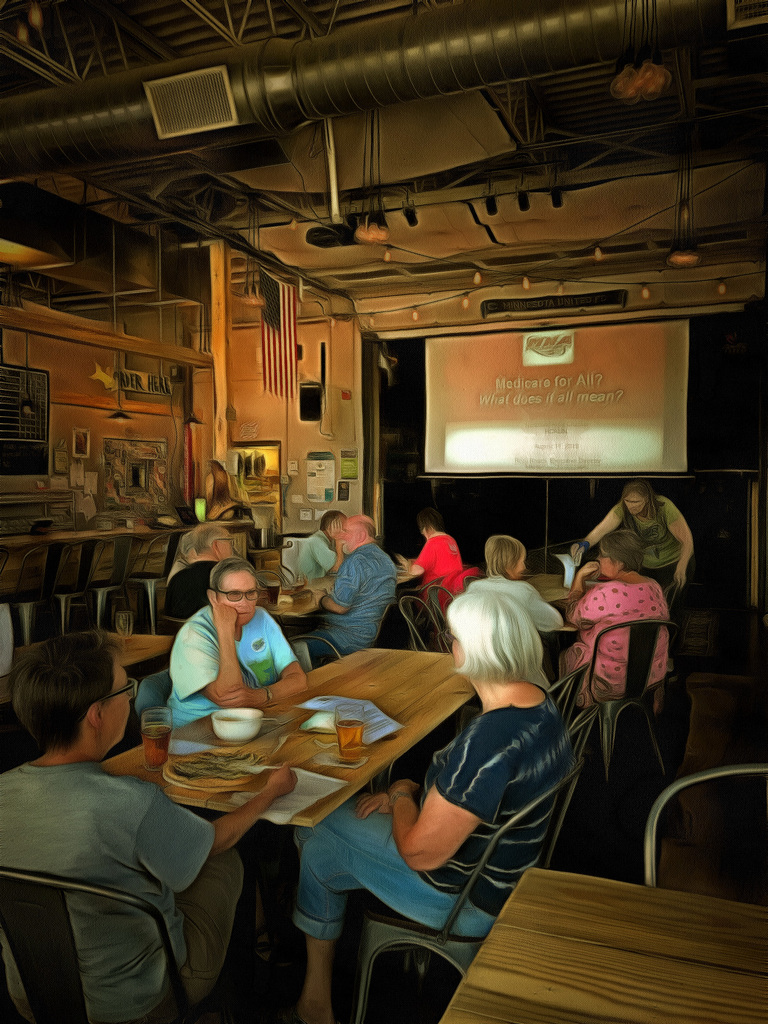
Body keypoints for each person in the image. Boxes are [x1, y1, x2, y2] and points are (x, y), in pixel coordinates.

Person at [286, 589, 574, 1024]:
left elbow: (421, 853)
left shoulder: (490, 741)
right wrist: (411, 797)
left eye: (452, 636)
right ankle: (317, 997)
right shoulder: (538, 700)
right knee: (322, 844)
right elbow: (467, 798)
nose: (448, 643)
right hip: (509, 869)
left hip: (466, 898)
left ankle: (317, 994)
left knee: (313, 829)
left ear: (472, 649)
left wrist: (402, 793)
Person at [0, 630, 296, 1024]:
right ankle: (236, 998)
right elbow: (217, 840)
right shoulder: (131, 801)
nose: (131, 699)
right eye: (126, 689)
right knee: (225, 863)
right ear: (96, 714)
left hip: (30, 996)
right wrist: (269, 793)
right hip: (138, 1003)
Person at [169, 556, 306, 727]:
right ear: (213, 598)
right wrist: (225, 630)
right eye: (234, 594)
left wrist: (263, 695)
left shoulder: (261, 617)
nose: (245, 603)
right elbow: (230, 697)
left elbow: (298, 679)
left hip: (253, 721)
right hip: (196, 730)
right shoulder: (194, 633)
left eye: (250, 593)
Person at [561, 531, 670, 710]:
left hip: (609, 682)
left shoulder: (606, 592)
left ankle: (572, 716)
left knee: (566, 656)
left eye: (603, 555)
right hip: (649, 677)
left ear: (618, 562)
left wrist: (580, 578)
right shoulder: (654, 586)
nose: (598, 559)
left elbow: (574, 616)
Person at [571, 479, 694, 623]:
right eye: (628, 501)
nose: (631, 506)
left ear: (647, 499)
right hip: (646, 565)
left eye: (636, 502)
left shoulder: (664, 507)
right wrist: (584, 544)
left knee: (672, 610)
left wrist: (682, 566)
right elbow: (600, 530)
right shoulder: (622, 508)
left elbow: (687, 540)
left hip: (674, 562)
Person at [305, 515, 396, 664]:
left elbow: (340, 607)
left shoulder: (355, 562)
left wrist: (321, 599)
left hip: (347, 638)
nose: (341, 536)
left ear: (361, 535)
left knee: (295, 647)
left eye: (346, 531)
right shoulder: (385, 559)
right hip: (371, 634)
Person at [469, 534, 563, 633]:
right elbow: (555, 621)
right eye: (522, 561)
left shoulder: (474, 587)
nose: (524, 567)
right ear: (510, 564)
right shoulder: (523, 590)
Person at [164, 523, 234, 618]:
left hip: (179, 632)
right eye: (229, 542)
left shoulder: (176, 578)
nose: (232, 548)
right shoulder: (227, 577)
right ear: (216, 545)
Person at [395, 507, 463, 590]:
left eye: (422, 530)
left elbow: (416, 571)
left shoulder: (433, 542)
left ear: (428, 527)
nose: (423, 534)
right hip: (452, 590)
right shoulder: (450, 540)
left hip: (437, 593)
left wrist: (406, 564)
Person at [297, 510, 347, 581]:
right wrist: (339, 542)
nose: (345, 531)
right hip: (312, 586)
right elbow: (337, 569)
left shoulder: (325, 540)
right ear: (330, 527)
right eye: (343, 527)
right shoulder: (316, 541)